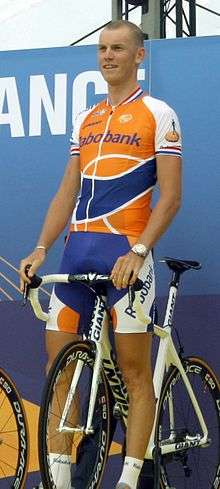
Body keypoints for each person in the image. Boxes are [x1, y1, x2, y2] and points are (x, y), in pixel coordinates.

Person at [20, 19, 182, 489]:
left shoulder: (159, 112)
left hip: (126, 258)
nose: (108, 56)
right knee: (61, 369)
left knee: (134, 373)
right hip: (77, 256)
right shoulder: (87, 118)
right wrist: (40, 248)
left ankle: (131, 480)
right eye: (102, 49)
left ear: (139, 56)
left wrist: (139, 249)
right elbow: (67, 190)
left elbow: (170, 197)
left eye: (118, 48)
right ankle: (61, 478)